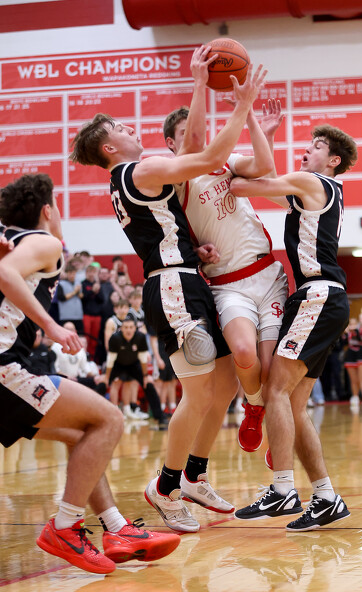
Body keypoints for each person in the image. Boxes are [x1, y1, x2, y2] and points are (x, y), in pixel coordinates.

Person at [69, 46, 266, 532]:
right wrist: (241, 105)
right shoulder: (139, 170)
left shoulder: (132, 178)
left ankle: (194, 475)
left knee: (223, 386)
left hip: (185, 276)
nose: (129, 128)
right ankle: (166, 485)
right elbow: (210, 156)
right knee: (198, 395)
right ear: (109, 148)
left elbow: (161, 225)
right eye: (120, 128)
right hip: (172, 289)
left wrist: (192, 249)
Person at [0, 174, 180, 573]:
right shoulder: (44, 242)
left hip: (12, 368)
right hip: (5, 370)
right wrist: (52, 326)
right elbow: (6, 274)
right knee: (109, 419)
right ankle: (65, 526)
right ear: (48, 210)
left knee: (81, 434)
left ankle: (116, 528)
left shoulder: (8, 240)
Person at [231, 124, 357, 531]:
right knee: (294, 406)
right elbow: (266, 181)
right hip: (325, 299)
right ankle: (326, 496)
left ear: (333, 160)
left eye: (317, 146)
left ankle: (283, 488)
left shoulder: (312, 181)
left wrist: (223, 164)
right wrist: (263, 139)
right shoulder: (312, 190)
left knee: (275, 390)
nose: (307, 150)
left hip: (318, 295)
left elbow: (242, 186)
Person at [165, 95, 287, 454]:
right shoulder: (175, 180)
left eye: (200, 129)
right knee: (244, 353)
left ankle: (275, 427)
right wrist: (196, 253)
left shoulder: (225, 162)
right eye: (187, 132)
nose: (197, 135)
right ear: (171, 143)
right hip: (227, 283)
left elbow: (264, 166)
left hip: (267, 273)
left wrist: (259, 127)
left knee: (272, 367)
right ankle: (255, 405)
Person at [56, 262, 84, 333]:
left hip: (78, 315)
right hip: (66, 315)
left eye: (74, 274)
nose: (72, 276)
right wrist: (74, 292)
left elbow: (81, 296)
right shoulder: (61, 284)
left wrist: (78, 292)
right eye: (70, 273)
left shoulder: (78, 283)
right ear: (66, 274)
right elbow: (61, 298)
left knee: (79, 334)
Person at [343, 317, 361, 408]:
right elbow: (343, 343)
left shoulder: (360, 332)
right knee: (353, 379)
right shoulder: (347, 334)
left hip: (360, 356)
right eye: (351, 324)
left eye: (355, 324)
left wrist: (356, 331)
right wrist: (345, 332)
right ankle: (355, 396)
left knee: (360, 379)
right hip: (350, 357)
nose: (353, 326)